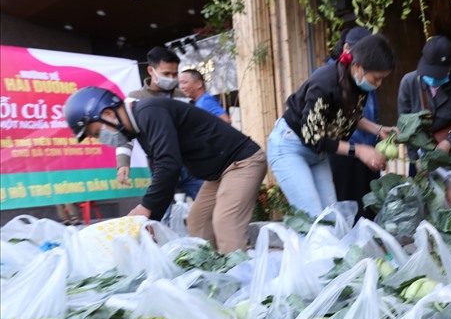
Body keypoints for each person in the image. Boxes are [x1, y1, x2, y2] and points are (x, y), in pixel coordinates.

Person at [64, 87, 266, 254]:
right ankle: (215, 272)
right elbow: (162, 172)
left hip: (242, 161)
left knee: (225, 221)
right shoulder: (141, 127)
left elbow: (169, 164)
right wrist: (150, 219)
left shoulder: (150, 111)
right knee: (197, 221)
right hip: (218, 174)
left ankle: (240, 282)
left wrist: (145, 208)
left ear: (108, 114)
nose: (102, 139)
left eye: (98, 132)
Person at [268, 33, 397, 218]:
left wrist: (377, 129)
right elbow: (313, 137)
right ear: (358, 66)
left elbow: (349, 115)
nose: (379, 84)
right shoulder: (324, 84)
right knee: (314, 220)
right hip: (290, 146)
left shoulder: (358, 85)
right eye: (376, 78)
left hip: (317, 153)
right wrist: (359, 150)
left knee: (332, 218)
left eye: (382, 79)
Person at [118, 46, 203, 201]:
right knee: (159, 216)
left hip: (190, 165)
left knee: (208, 210)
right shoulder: (135, 98)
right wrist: (123, 163)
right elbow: (126, 133)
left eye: (174, 74)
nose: (171, 78)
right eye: (166, 74)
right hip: (160, 167)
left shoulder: (183, 97)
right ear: (151, 71)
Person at [397, 36, 451, 207]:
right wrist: (416, 160)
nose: (433, 78)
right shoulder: (408, 83)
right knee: (421, 203)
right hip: (421, 152)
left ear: (450, 66)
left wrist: (450, 143)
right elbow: (404, 126)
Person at [327, 27, 382, 217]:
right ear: (347, 49)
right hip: (345, 153)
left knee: (370, 212)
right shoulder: (329, 77)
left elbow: (363, 115)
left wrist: (378, 134)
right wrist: (360, 150)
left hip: (367, 153)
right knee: (349, 211)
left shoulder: (363, 76)